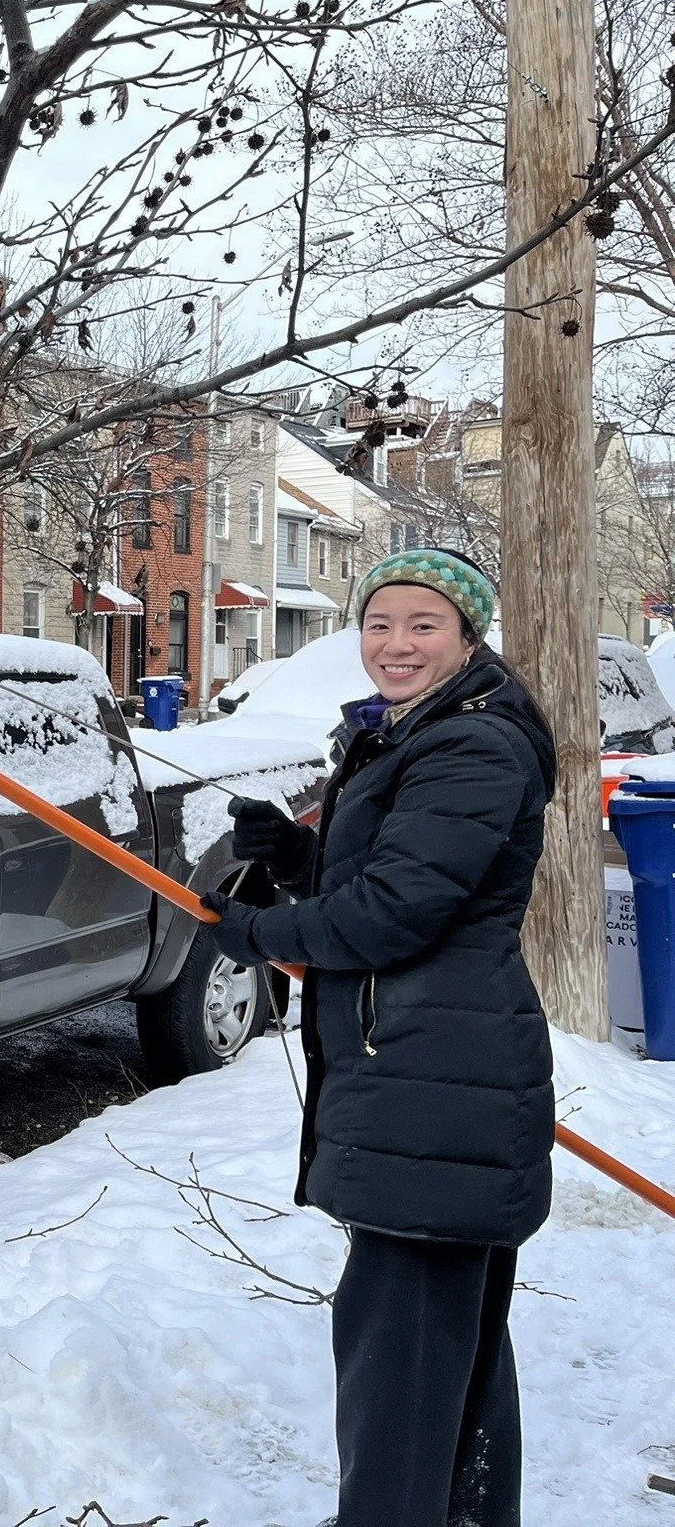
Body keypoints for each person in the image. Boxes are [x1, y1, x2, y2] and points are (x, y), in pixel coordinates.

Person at [201, 548, 556, 1527]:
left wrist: (253, 934)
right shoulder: (426, 730)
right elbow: (407, 873)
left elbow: (395, 915)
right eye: (378, 624)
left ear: (466, 635)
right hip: (428, 1077)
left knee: (398, 1366)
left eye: (421, 625)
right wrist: (300, 856)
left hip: (433, 1081)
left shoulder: (470, 747)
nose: (393, 645)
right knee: (449, 1351)